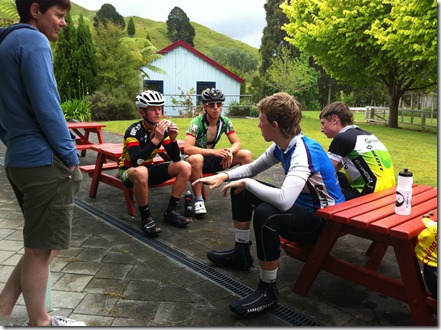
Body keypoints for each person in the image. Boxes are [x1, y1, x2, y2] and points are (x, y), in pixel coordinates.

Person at [193, 92, 344, 316]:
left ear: (274, 124)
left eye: (261, 121)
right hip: (302, 208)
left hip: (323, 221)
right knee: (240, 188)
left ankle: (268, 290)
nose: (258, 125)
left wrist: (246, 181)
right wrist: (225, 177)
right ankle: (241, 253)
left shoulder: (303, 152)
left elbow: (283, 201)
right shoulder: (282, 145)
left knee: (267, 214)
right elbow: (252, 169)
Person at [0, 0, 85, 326]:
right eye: (59, 15)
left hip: (19, 161)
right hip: (44, 163)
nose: (62, 23)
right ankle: (41, 322)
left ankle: (3, 312)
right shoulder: (33, 41)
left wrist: (14, 143)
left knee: (40, 245)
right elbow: (48, 106)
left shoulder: (6, 44)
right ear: (35, 10)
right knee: (41, 250)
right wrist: (70, 157)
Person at [118, 90, 192, 237]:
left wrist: (172, 139)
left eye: (160, 108)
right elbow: (136, 161)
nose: (158, 113)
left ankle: (171, 211)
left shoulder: (161, 130)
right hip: (129, 172)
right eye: (152, 109)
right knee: (141, 171)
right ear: (142, 112)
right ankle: (146, 217)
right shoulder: (133, 131)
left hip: (148, 170)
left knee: (185, 166)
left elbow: (176, 159)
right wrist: (156, 140)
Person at [184, 88, 252, 216]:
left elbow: (237, 143)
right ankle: (199, 200)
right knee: (197, 158)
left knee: (246, 155)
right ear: (205, 107)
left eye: (219, 104)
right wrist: (214, 152)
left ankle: (242, 193)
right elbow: (187, 148)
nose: (215, 108)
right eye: (211, 105)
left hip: (211, 158)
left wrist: (230, 152)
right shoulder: (196, 123)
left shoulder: (225, 122)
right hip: (195, 162)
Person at [319, 101, 395, 200]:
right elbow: (336, 167)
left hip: (370, 196)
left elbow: (325, 171)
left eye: (323, 123)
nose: (321, 129)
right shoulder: (364, 134)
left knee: (319, 186)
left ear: (334, 119)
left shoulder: (342, 138)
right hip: (387, 191)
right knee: (337, 177)